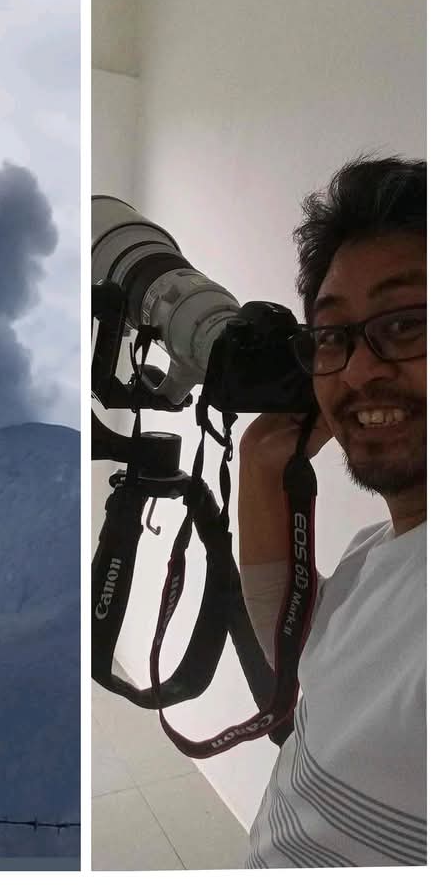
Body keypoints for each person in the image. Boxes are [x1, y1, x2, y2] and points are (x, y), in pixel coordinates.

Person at [239, 156, 426, 867]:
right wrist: (262, 472)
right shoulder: (375, 548)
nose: (355, 370)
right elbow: (308, 670)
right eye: (331, 335)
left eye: (405, 324)